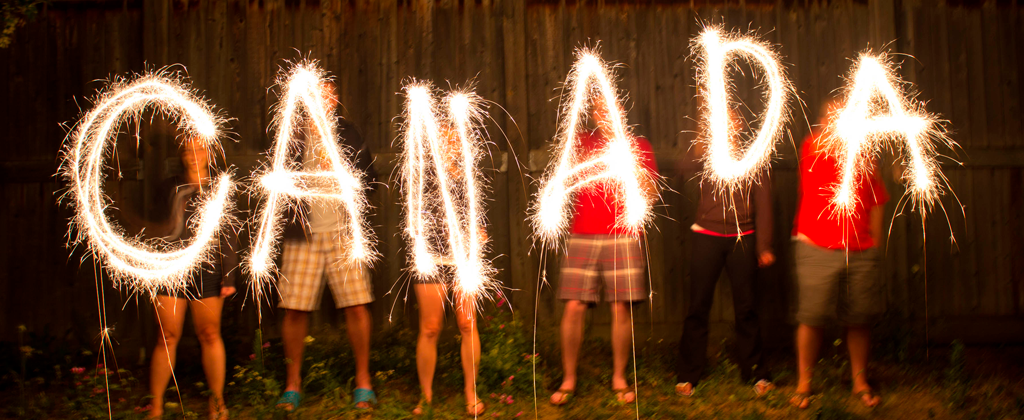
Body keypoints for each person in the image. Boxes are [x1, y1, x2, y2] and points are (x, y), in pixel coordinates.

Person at [274, 83, 379, 411]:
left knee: (357, 306)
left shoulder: (349, 133)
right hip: (302, 234)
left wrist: (344, 176)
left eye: (328, 94)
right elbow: (275, 182)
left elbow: (370, 180)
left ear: (335, 100)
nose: (323, 100)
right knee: (294, 309)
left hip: (342, 234)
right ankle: (293, 385)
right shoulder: (291, 134)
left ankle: (363, 382)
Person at [549, 98, 659, 406]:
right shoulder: (582, 142)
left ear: (620, 110)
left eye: (608, 108)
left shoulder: (639, 146)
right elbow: (564, 170)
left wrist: (632, 168)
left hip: (623, 234)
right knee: (573, 307)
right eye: (597, 110)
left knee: (621, 307)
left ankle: (619, 378)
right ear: (593, 115)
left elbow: (651, 195)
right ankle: (568, 379)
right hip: (583, 233)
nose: (604, 114)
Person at [129, 138, 238, 420]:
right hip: (172, 270)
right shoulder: (170, 188)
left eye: (199, 149)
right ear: (181, 155)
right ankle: (155, 407)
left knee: (210, 334)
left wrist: (229, 275)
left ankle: (217, 404)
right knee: (166, 336)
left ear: (210, 153)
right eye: (188, 150)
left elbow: (229, 233)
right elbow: (156, 231)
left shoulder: (220, 188)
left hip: (208, 270)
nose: (193, 155)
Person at [789, 100, 888, 409]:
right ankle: (804, 384)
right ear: (823, 121)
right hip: (816, 246)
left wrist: (875, 242)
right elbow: (821, 152)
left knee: (858, 319)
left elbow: (877, 198)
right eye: (832, 117)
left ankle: (860, 382)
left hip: (860, 250)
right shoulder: (813, 146)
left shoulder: (865, 154)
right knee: (811, 317)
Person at [675, 120, 776, 398]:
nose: (727, 124)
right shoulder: (706, 151)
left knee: (747, 308)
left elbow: (764, 200)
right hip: (706, 236)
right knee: (698, 306)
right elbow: (683, 170)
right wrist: (700, 140)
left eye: (732, 119)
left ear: (741, 124)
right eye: (721, 119)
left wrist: (764, 245)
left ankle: (756, 372)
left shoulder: (754, 154)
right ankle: (688, 374)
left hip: (743, 237)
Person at [412, 123, 486, 417]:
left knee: (467, 324)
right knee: (430, 328)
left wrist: (479, 233)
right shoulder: (422, 177)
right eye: (442, 138)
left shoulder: (468, 178)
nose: (448, 144)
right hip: (431, 259)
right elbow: (415, 217)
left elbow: (478, 219)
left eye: (453, 138)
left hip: (463, 261)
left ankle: (471, 391)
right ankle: (426, 396)